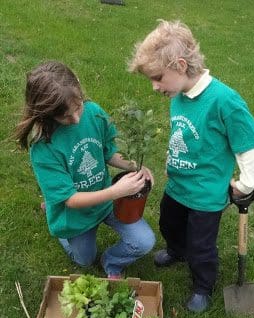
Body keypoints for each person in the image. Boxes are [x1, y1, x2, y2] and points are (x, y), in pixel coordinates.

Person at [128, 20, 254, 312]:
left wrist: (247, 183)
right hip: (178, 185)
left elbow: (249, 144)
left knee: (202, 246)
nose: (154, 86)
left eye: (158, 77)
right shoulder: (178, 94)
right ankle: (177, 250)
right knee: (168, 222)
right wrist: (170, 160)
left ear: (179, 65)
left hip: (205, 195)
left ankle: (203, 285)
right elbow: (181, 134)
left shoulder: (224, 100)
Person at [15, 61, 155, 279]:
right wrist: (117, 191)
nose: (77, 119)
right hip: (76, 212)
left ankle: (111, 261)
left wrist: (134, 166)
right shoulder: (43, 148)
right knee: (84, 260)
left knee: (144, 242)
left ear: (79, 88)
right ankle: (58, 219)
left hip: (105, 200)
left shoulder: (94, 113)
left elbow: (108, 152)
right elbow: (71, 199)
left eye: (78, 106)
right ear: (46, 113)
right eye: (65, 117)